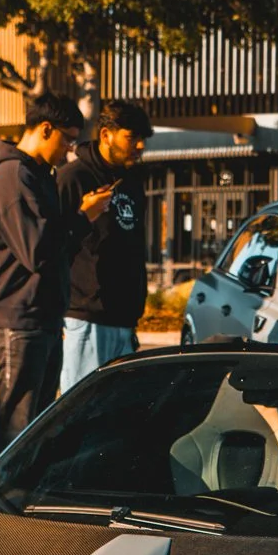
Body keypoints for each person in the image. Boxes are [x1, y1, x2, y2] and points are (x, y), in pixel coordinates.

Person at [0, 94, 111, 455]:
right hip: (17, 319)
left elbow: (47, 244)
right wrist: (84, 218)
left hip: (39, 318)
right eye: (66, 139)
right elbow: (38, 251)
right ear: (44, 129)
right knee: (16, 429)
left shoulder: (37, 175)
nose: (69, 150)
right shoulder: (14, 175)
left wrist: (81, 216)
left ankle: (20, 505)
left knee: (33, 429)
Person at [57, 99, 155, 391]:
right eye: (132, 138)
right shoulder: (73, 178)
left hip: (124, 320)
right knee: (82, 414)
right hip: (86, 318)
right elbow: (53, 245)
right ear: (106, 134)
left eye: (142, 140)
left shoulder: (133, 182)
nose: (139, 146)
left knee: (117, 417)